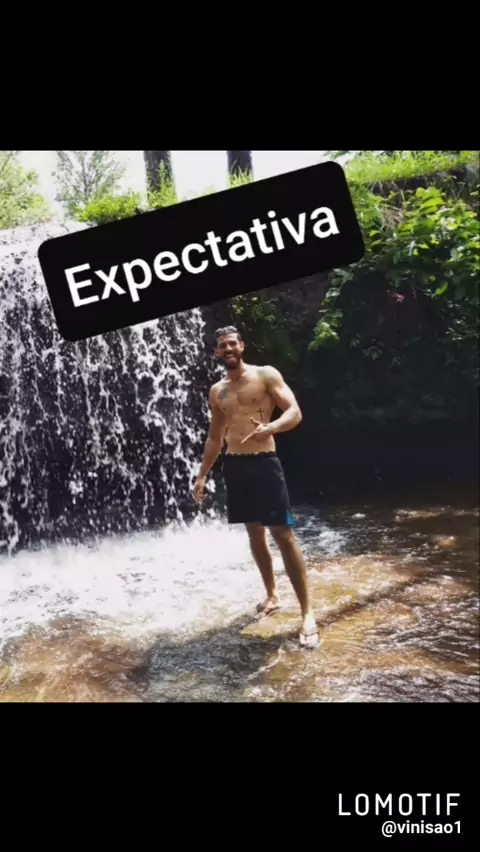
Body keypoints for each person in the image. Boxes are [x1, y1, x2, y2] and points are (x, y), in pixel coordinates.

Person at [192, 325, 319, 648]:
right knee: (254, 532)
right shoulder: (217, 391)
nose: (227, 349)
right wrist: (202, 475)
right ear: (216, 352)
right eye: (222, 346)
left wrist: (270, 427)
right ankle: (272, 594)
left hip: (264, 462)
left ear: (242, 346)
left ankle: (307, 613)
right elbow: (214, 437)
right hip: (235, 465)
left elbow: (294, 412)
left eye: (232, 344)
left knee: (282, 534)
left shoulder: (265, 375)